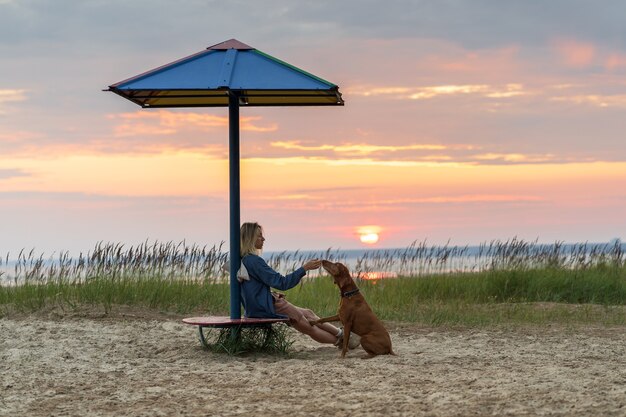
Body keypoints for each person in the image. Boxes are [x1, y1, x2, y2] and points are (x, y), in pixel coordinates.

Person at [238, 222, 358, 347]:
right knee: (308, 327)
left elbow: (252, 287)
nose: (263, 239)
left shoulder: (243, 259)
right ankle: (342, 342)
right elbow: (282, 283)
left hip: (258, 306)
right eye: (259, 236)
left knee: (308, 313)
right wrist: (304, 268)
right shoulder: (254, 261)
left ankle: (341, 334)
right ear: (249, 239)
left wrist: (269, 294)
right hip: (266, 307)